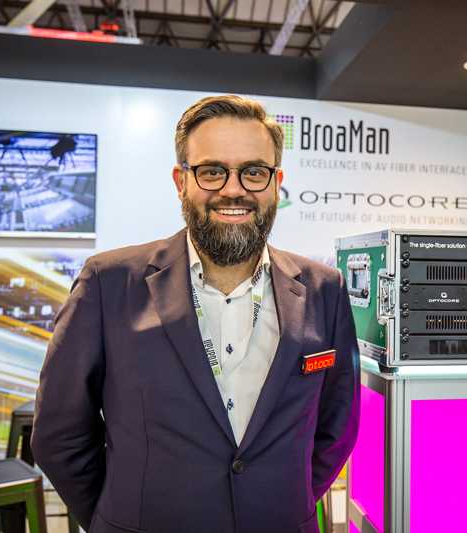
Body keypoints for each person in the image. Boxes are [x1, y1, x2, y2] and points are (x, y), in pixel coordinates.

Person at [31, 95, 361, 533]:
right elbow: (59, 434)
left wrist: (283, 502)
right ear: (181, 181)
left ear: (276, 182)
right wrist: (114, 517)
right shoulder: (108, 283)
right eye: (211, 171)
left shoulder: (325, 289)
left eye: (254, 172)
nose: (233, 189)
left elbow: (336, 430)